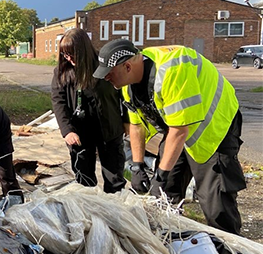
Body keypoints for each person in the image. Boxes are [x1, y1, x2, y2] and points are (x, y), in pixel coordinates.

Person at [93, 39, 246, 234]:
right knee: (162, 195)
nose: (106, 78)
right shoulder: (127, 86)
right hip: (178, 128)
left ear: (127, 66)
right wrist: (137, 165)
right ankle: (174, 244)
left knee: (215, 203)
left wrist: (161, 174)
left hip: (214, 129)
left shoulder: (172, 70)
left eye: (109, 73)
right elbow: (136, 125)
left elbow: (180, 131)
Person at [51, 28, 127, 193]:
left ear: (83, 50)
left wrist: (127, 121)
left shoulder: (106, 65)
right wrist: (67, 131)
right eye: (65, 55)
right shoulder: (62, 72)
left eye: (72, 54)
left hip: (109, 130)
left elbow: (124, 94)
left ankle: (114, 212)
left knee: (114, 179)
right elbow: (58, 102)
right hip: (79, 133)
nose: (69, 59)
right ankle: (90, 210)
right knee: (84, 178)